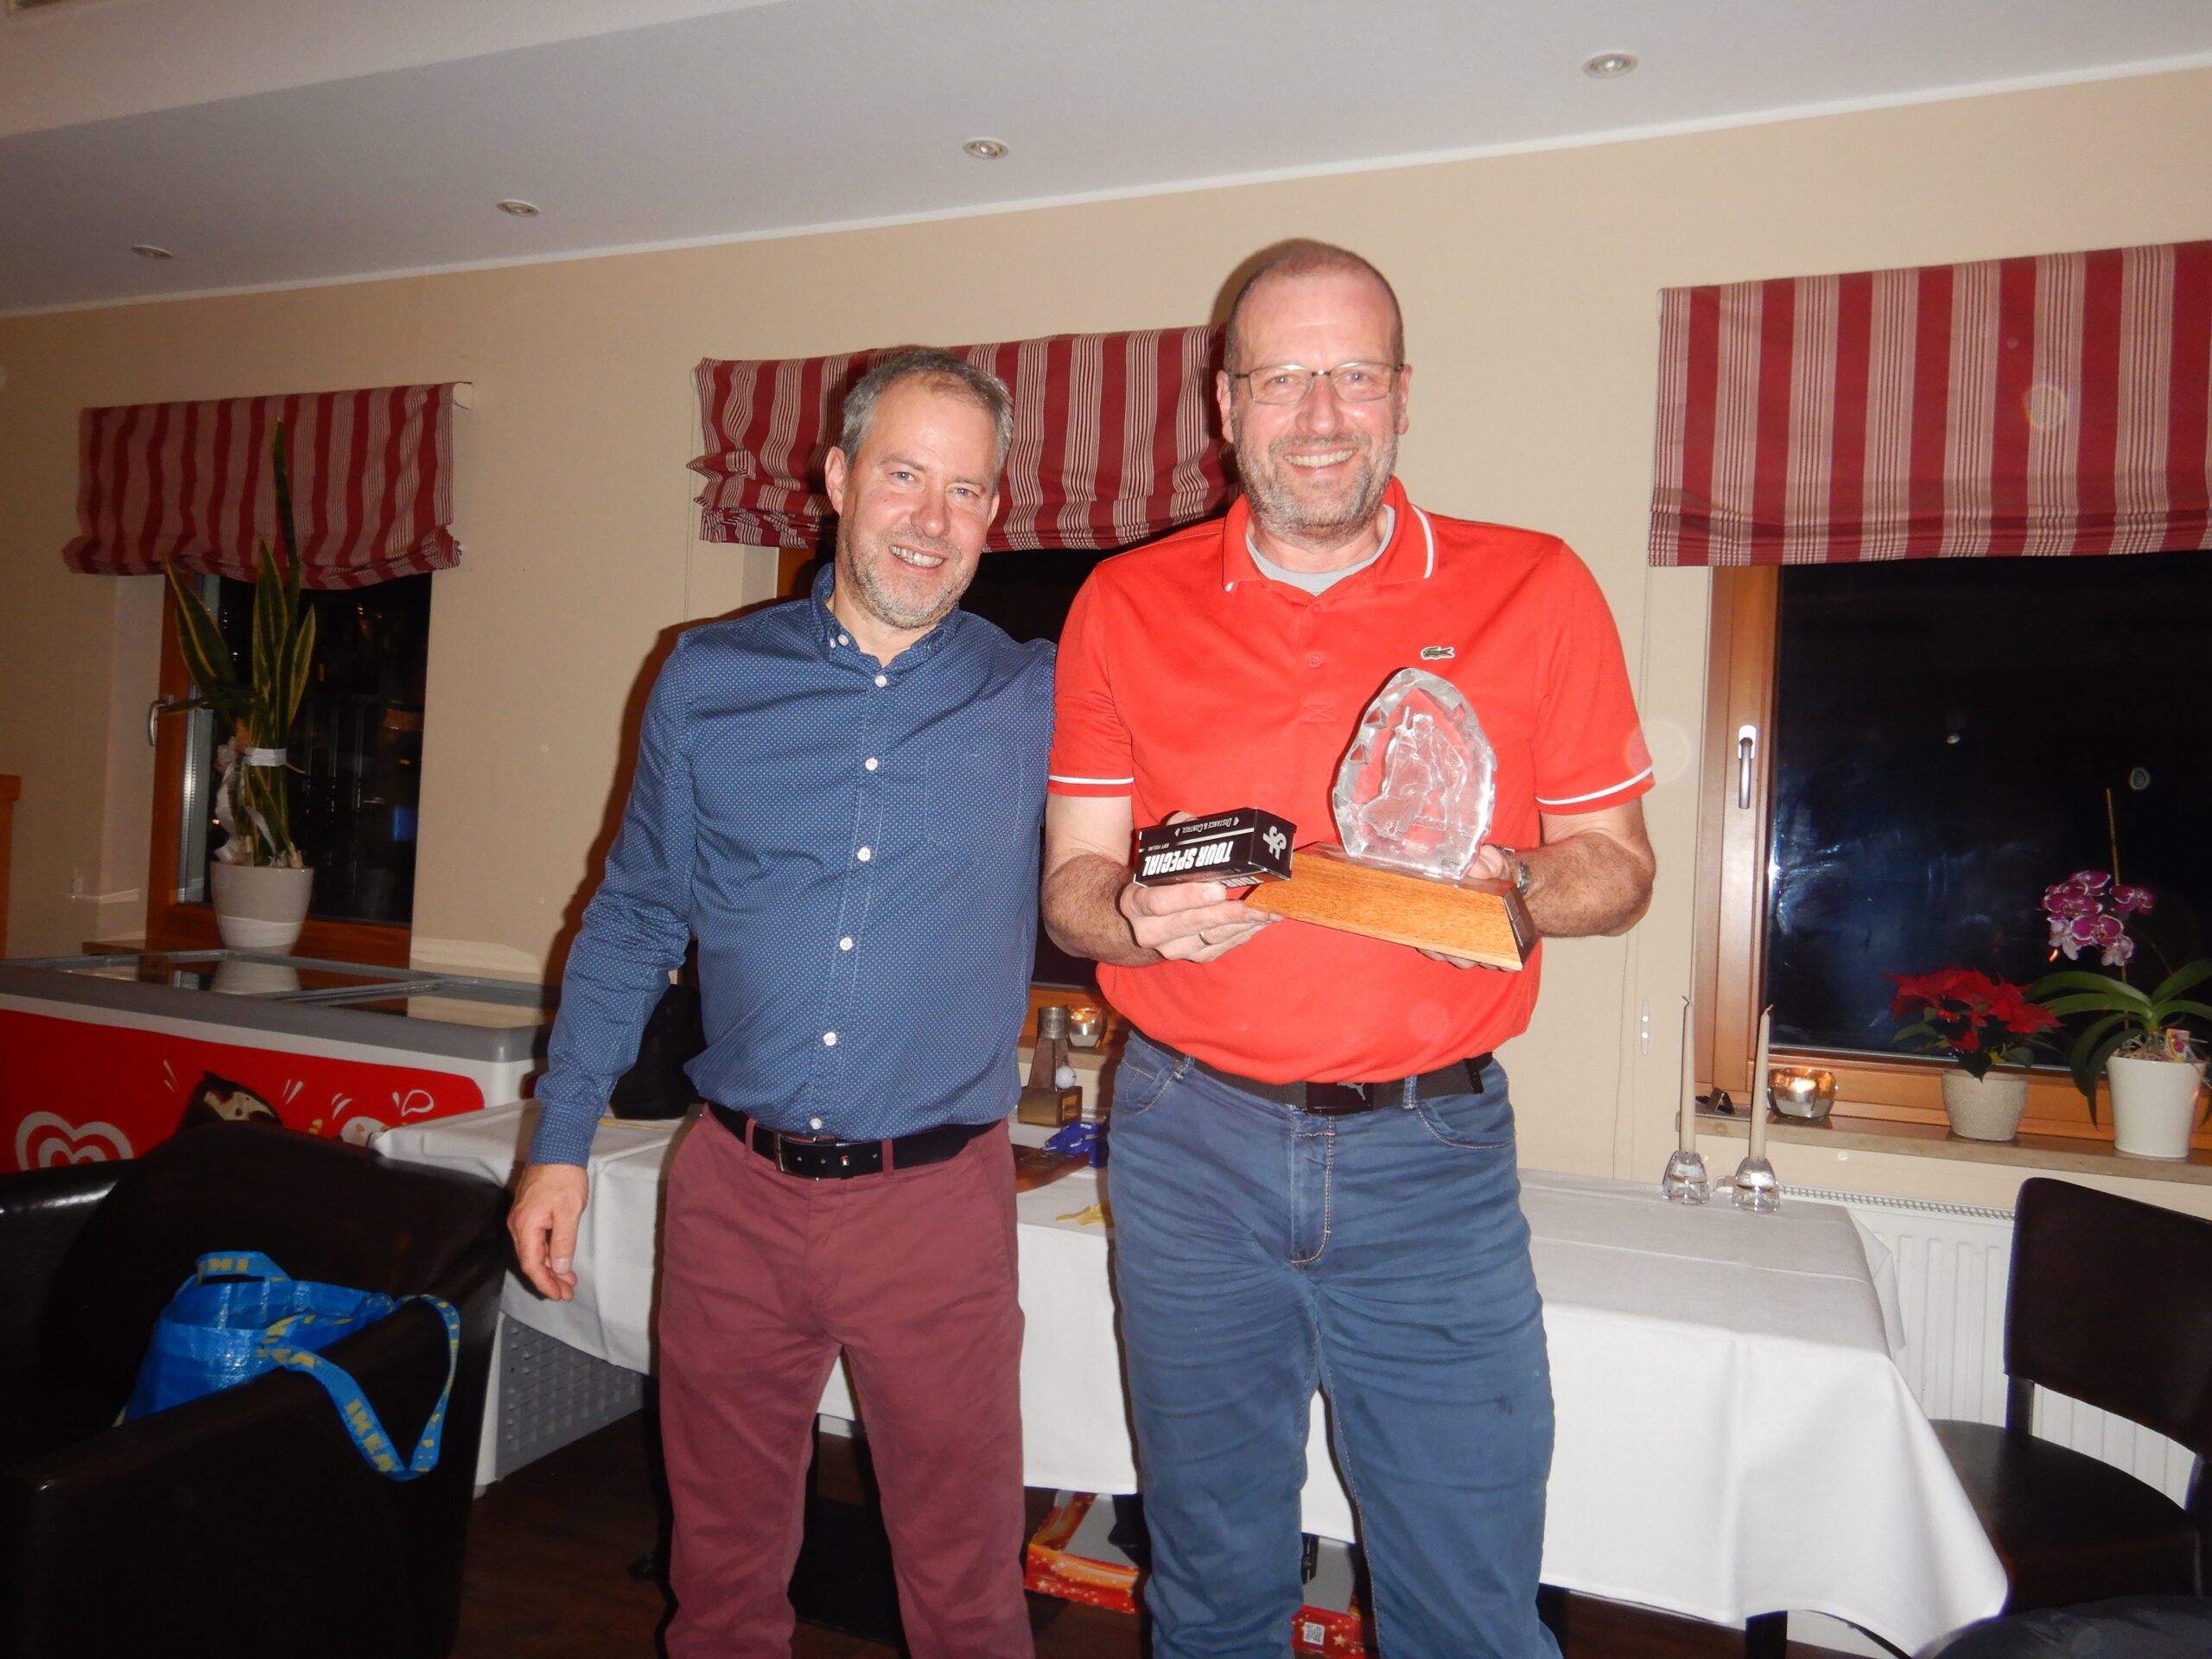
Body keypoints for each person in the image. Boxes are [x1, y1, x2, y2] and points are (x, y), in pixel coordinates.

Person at [1041, 242, 1656, 1658]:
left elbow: (1620, 868)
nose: (1321, 416)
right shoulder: (1122, 603)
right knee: (1210, 1592)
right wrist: (1130, 919)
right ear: (1226, 404)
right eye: (1282, 379)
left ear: (1403, 394)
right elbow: (1072, 884)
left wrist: (1515, 889)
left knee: (1469, 1611)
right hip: (1188, 1142)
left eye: (1355, 375)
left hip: (1430, 1160)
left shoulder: (1536, 585)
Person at [509, 347, 1052, 1659]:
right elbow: (635, 915)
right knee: (722, 1582)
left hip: (935, 1209)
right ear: (837, 478)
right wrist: (559, 1137)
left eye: (965, 491)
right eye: (904, 476)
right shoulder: (706, 677)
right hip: (734, 1202)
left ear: (995, 514)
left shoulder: (1040, 695)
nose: (931, 519)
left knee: (967, 1591)